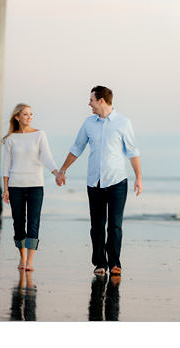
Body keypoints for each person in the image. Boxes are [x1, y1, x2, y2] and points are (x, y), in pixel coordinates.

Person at [56, 86, 142, 278]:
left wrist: (139, 177)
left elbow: (132, 151)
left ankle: (115, 263)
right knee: (97, 225)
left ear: (102, 100)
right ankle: (100, 263)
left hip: (117, 181)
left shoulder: (123, 122)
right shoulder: (88, 123)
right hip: (94, 182)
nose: (89, 104)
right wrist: (63, 170)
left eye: (92, 100)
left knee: (115, 225)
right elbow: (77, 148)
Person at [1, 103, 62, 271]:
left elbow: (47, 157)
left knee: (33, 223)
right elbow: (6, 166)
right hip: (15, 186)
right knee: (18, 224)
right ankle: (22, 256)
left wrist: (56, 172)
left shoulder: (39, 135)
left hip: (36, 185)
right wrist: (5, 189)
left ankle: (30, 260)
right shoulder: (10, 139)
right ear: (17, 117)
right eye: (25, 114)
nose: (29, 117)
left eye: (31, 114)